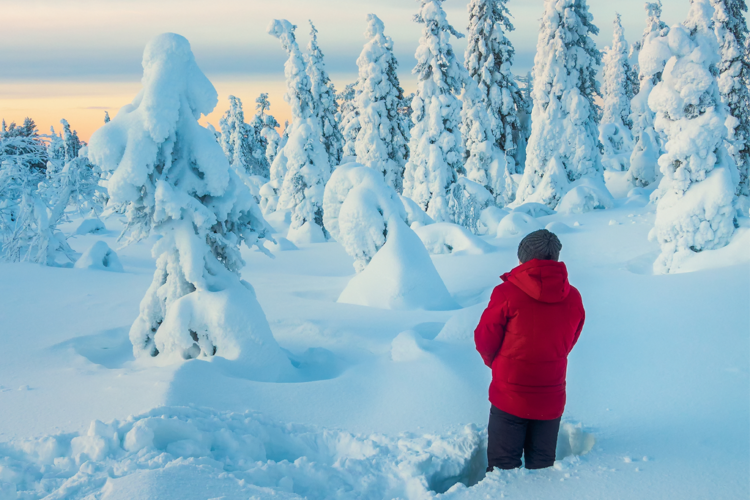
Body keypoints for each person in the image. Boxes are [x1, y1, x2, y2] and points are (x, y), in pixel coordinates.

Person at [474, 229, 585, 471]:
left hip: (509, 394)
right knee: (543, 470)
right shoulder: (573, 297)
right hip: (551, 395)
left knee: (502, 469)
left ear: (523, 258)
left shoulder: (506, 293)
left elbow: (484, 339)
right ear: (555, 258)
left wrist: (498, 363)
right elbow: (570, 340)